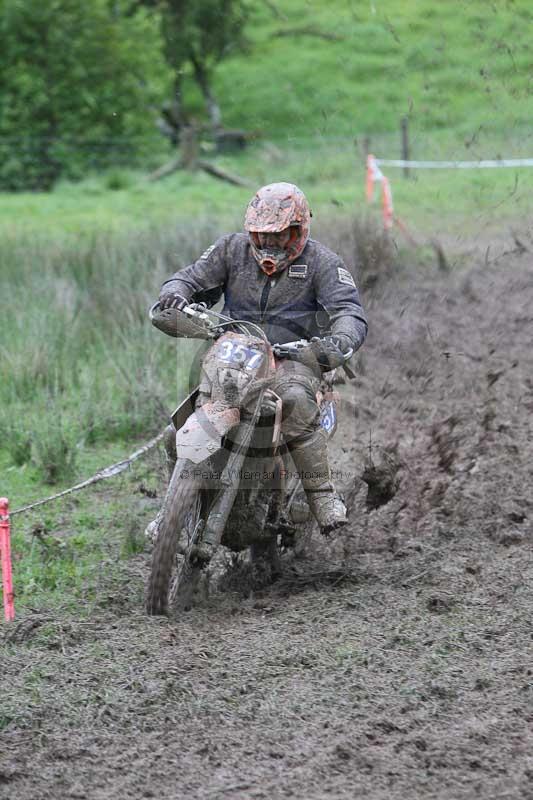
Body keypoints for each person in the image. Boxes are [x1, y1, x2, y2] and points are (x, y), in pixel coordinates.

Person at [151, 182, 367, 538]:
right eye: (260, 235)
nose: (268, 243)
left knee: (296, 402)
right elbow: (188, 278)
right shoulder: (230, 250)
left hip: (294, 359)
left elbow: (349, 311)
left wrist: (338, 341)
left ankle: (323, 497)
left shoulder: (323, 263)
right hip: (236, 352)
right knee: (179, 428)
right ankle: (173, 511)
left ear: (297, 231)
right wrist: (175, 294)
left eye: (278, 236)